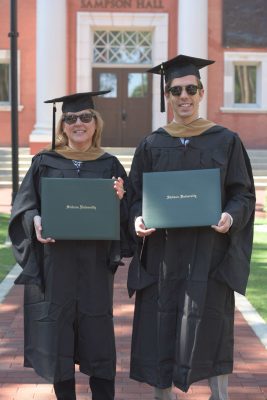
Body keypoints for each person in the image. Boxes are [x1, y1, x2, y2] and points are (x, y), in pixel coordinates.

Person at [127, 55, 255, 400]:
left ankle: (219, 395)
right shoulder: (152, 144)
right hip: (162, 257)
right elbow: (135, 197)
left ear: (201, 92)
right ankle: (162, 394)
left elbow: (241, 193)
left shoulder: (225, 140)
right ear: (167, 96)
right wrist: (137, 219)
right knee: (161, 325)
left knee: (212, 324)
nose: (183, 96)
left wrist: (231, 217)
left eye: (190, 89)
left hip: (208, 255)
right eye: (176, 90)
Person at [9, 91, 130, 400]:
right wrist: (34, 220)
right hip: (56, 265)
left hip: (94, 268)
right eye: (71, 118)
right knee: (59, 340)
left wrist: (121, 199)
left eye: (85, 117)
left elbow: (129, 217)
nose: (79, 123)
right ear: (62, 126)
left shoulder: (110, 164)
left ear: (96, 123)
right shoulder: (44, 162)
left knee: (99, 339)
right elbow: (23, 207)